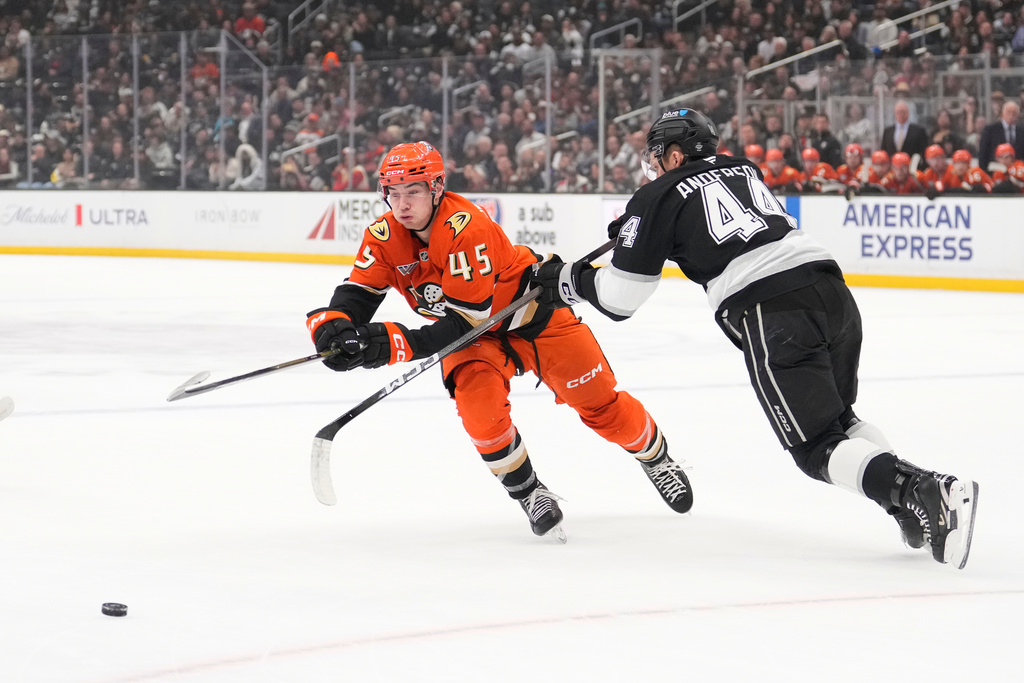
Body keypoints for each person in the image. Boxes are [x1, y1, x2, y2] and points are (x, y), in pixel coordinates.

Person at [532, 109, 979, 569]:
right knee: (842, 422)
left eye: (659, 155)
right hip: (831, 290)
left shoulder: (657, 194)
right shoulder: (743, 167)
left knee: (815, 447)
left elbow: (621, 298)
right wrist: (639, 231)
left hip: (774, 309)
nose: (654, 164)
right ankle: (900, 502)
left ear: (677, 154)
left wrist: (568, 278)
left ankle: (922, 489)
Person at [306, 141, 692, 541]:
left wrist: (391, 344)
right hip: (476, 342)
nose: (401, 204)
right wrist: (334, 326)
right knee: (481, 416)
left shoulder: (466, 226)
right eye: (393, 193)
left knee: (601, 406)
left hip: (533, 319)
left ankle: (656, 457)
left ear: (437, 187)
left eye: (413, 191)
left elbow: (463, 322)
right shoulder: (383, 235)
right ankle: (530, 493)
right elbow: (358, 294)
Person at [977, 101, 1024, 172]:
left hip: (1017, 172)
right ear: (1002, 113)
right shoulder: (991, 130)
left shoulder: (1022, 131)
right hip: (994, 170)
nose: (1011, 115)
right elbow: (983, 152)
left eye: (1014, 113)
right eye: (1008, 112)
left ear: (1018, 115)